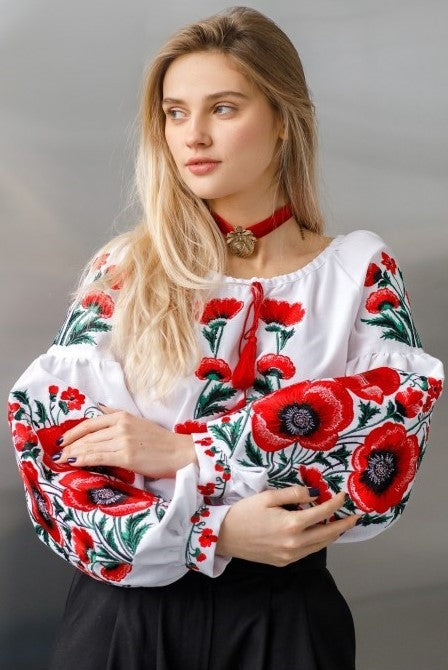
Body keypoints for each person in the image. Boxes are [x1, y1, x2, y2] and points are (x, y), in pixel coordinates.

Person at [7, 6, 444, 670]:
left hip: (283, 621)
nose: (194, 136)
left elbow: (384, 451)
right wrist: (214, 533)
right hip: (126, 625)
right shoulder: (124, 270)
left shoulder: (357, 271)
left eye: (223, 108)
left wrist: (187, 451)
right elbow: (54, 462)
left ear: (283, 121)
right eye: (175, 113)